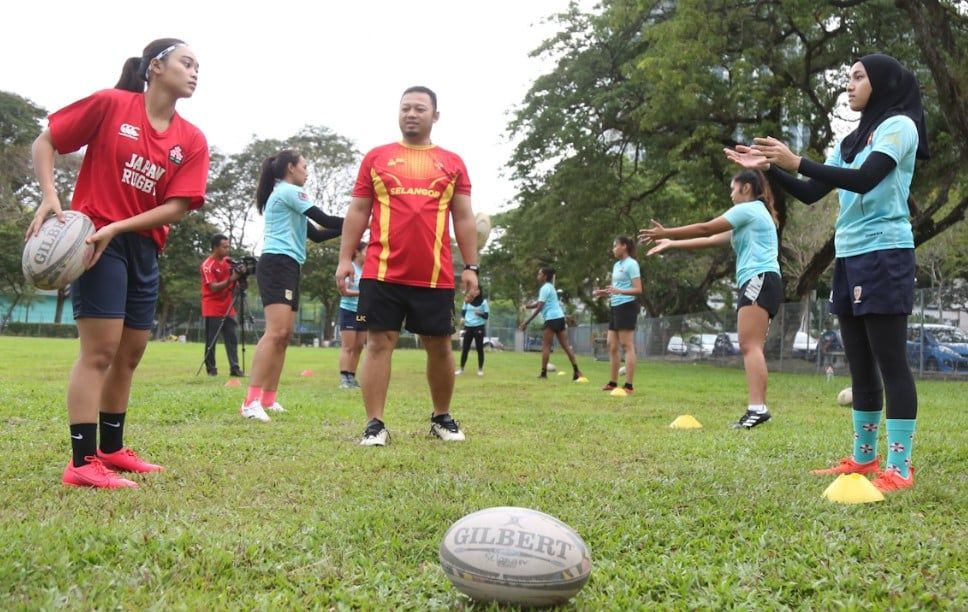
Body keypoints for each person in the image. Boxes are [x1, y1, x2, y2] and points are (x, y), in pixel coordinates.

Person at [726, 53, 929, 491]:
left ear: (883, 82)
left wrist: (793, 159)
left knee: (890, 360)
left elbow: (865, 180)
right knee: (858, 363)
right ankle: (862, 460)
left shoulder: (899, 127)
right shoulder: (850, 140)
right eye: (848, 78)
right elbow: (815, 191)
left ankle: (900, 467)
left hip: (886, 254)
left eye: (858, 77)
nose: (849, 85)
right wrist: (771, 170)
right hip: (850, 255)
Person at [26, 38, 209, 488]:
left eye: (198, 67)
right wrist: (51, 196)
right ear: (155, 67)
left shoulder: (191, 139)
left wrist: (122, 227)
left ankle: (110, 449)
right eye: (186, 63)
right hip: (95, 240)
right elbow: (47, 140)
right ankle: (81, 462)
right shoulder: (111, 105)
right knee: (100, 352)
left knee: (129, 355)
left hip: (140, 246)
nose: (194, 72)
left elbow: (178, 205)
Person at [335, 86, 478, 446]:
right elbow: (358, 211)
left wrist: (471, 265)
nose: (411, 114)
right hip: (381, 273)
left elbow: (463, 218)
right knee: (378, 343)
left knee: (440, 346)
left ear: (435, 116)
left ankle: (441, 417)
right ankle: (375, 424)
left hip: (435, 274)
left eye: (419, 108)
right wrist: (344, 258)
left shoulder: (453, 162)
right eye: (405, 108)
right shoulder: (377, 158)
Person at [640, 170, 782, 429]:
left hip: (758, 279)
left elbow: (706, 226)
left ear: (746, 188)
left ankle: (757, 408)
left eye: (733, 188)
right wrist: (671, 243)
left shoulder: (749, 210)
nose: (730, 193)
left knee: (750, 346)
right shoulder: (753, 216)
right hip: (763, 281)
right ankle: (758, 407)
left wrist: (665, 232)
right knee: (753, 347)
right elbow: (710, 238)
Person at [240, 149, 344, 422]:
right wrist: (362, 218)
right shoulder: (289, 191)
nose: (307, 171)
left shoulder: (287, 196)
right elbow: (325, 219)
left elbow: (318, 235)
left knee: (284, 335)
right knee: (275, 333)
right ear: (290, 168)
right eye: (305, 166)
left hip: (290, 265)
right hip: (278, 264)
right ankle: (250, 402)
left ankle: (268, 399)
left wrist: (358, 226)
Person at [592, 236, 642, 394]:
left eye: (615, 246)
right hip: (615, 306)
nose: (613, 249)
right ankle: (613, 382)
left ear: (624, 246)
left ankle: (629, 386)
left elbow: (638, 289)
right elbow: (616, 288)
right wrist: (604, 292)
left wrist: (619, 291)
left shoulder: (632, 264)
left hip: (627, 306)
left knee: (627, 345)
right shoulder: (616, 265)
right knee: (611, 345)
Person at [520, 267, 585, 381]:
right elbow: (539, 304)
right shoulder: (550, 287)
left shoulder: (544, 288)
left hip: (551, 319)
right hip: (560, 318)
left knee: (546, 346)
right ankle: (576, 371)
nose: (538, 275)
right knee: (566, 346)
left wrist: (527, 322)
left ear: (544, 276)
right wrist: (527, 306)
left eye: (539, 274)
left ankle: (543, 374)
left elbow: (540, 307)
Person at [200, 233, 242, 377]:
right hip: (212, 307)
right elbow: (213, 287)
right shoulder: (207, 265)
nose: (227, 250)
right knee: (211, 341)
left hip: (228, 306)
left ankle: (235, 369)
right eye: (224, 247)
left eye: (228, 246)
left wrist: (242, 276)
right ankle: (211, 370)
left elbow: (237, 282)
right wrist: (231, 280)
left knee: (232, 339)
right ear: (215, 248)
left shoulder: (228, 262)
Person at [337, 241, 367, 389]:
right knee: (348, 346)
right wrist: (364, 293)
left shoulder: (367, 270)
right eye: (366, 251)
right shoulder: (350, 268)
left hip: (362, 312)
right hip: (348, 311)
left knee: (359, 346)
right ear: (357, 252)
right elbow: (344, 292)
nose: (369, 255)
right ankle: (344, 378)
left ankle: (352, 378)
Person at [456, 287, 489, 376]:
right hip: (468, 327)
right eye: (474, 289)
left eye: (477, 289)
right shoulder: (467, 300)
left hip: (479, 327)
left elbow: (486, 316)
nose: (476, 291)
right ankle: (461, 369)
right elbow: (463, 312)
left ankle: (480, 369)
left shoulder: (484, 302)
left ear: (480, 291)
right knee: (465, 349)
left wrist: (480, 313)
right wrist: (463, 317)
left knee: (479, 348)